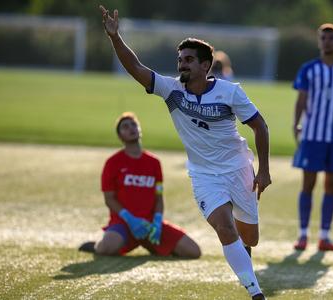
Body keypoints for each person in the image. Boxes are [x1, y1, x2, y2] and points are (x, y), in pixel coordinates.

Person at [99, 5, 271, 300]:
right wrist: (116, 38)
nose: (182, 65)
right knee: (224, 227)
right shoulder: (171, 90)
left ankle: (244, 256)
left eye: (189, 60)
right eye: (180, 60)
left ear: (206, 66)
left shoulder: (230, 92)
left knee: (249, 237)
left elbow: (261, 127)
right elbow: (137, 68)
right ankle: (255, 292)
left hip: (238, 169)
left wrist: (264, 170)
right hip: (204, 175)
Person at [79, 112, 201, 258]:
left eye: (134, 124)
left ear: (139, 130)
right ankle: (97, 244)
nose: (131, 128)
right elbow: (109, 198)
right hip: (123, 223)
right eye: (125, 126)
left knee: (193, 251)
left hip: (150, 225)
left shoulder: (153, 162)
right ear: (120, 136)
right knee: (106, 248)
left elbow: (158, 196)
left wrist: (157, 221)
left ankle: (153, 244)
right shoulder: (113, 163)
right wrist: (130, 219)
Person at [291, 23, 333, 252]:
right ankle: (302, 235)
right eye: (323, 38)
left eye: (331, 38)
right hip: (313, 135)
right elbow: (301, 99)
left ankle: (324, 236)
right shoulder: (309, 69)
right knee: (308, 184)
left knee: (331, 186)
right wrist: (296, 123)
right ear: (319, 41)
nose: (327, 42)